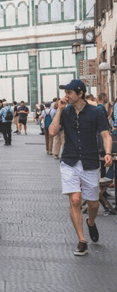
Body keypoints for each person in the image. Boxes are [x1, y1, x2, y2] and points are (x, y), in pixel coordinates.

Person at [49, 79, 112, 256]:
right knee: (75, 199)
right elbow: (52, 132)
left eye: (69, 92)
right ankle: (81, 240)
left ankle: (90, 222)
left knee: (93, 203)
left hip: (90, 161)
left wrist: (107, 153)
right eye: (65, 92)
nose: (66, 96)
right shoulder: (65, 111)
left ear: (80, 94)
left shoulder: (96, 112)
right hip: (69, 160)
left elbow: (106, 135)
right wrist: (59, 110)